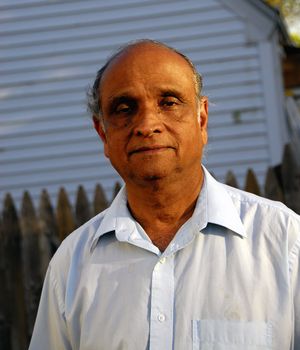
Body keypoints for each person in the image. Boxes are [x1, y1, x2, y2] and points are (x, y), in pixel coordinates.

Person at [29, 39, 300, 350]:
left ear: (202, 119)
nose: (147, 124)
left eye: (169, 102)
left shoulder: (284, 241)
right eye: (124, 108)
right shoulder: (71, 265)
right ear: (103, 133)